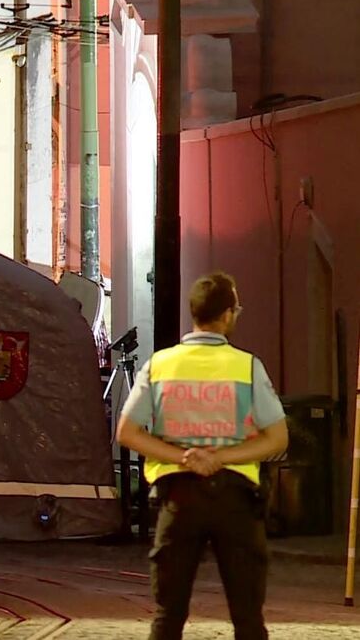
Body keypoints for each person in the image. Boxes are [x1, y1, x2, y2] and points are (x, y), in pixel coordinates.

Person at [116, 271, 289, 640]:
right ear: (226, 315)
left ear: (194, 314)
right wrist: (223, 458)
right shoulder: (247, 367)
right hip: (236, 501)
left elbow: (128, 432)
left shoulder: (160, 365)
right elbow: (277, 438)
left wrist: (183, 458)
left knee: (168, 616)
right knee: (247, 618)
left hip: (178, 498)